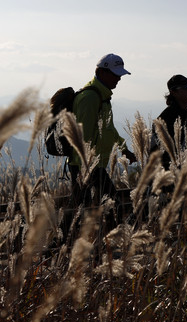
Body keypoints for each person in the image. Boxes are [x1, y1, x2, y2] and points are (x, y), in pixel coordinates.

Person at [68, 53, 137, 207]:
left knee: (85, 211)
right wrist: (85, 168)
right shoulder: (90, 98)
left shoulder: (103, 97)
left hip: (95, 164)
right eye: (115, 74)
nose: (119, 78)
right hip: (86, 165)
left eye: (120, 75)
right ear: (100, 72)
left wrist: (123, 148)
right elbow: (82, 136)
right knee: (111, 206)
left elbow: (109, 128)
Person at [150, 74, 187, 169]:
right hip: (171, 173)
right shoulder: (165, 118)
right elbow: (156, 149)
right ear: (173, 92)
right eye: (185, 87)